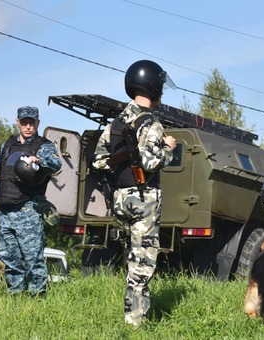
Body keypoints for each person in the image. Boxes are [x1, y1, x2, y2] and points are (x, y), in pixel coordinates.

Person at [91, 59, 176, 327]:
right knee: (143, 261)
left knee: (131, 257)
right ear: (153, 86)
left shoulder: (116, 122)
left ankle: (132, 314)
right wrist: (169, 147)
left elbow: (99, 160)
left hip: (120, 197)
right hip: (144, 197)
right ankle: (135, 321)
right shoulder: (150, 121)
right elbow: (152, 162)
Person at [0, 106, 61, 297]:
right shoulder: (6, 146)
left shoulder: (43, 146)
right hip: (4, 213)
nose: (28, 126)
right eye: (24, 122)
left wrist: (39, 161)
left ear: (38, 123)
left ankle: (38, 298)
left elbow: (56, 163)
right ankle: (16, 297)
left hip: (27, 210)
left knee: (33, 259)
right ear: (17, 122)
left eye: (32, 123)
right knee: (10, 260)